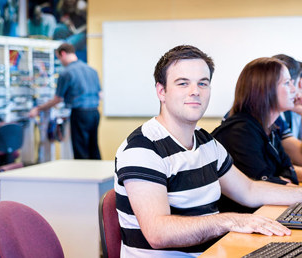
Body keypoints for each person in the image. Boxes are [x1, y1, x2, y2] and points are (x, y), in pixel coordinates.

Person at [115, 45, 302, 257]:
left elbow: (249, 190)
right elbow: (158, 233)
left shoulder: (205, 141)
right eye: (183, 83)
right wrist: (230, 220)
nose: (195, 91)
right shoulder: (143, 147)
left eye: (202, 83)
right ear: (161, 91)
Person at [212, 57, 302, 213]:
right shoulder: (239, 131)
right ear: (266, 89)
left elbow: (289, 171)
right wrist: (278, 182)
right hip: (239, 223)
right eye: (288, 83)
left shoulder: (270, 128)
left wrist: (280, 182)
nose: (294, 90)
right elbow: (261, 184)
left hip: (262, 213)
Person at [29, 43, 101, 160]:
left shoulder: (66, 72)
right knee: (94, 147)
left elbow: (58, 99)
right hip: (95, 113)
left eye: (59, 58)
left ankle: (84, 177)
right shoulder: (92, 70)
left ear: (62, 53)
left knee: (81, 150)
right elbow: (100, 94)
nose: (60, 62)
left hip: (80, 114)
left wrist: (38, 108)